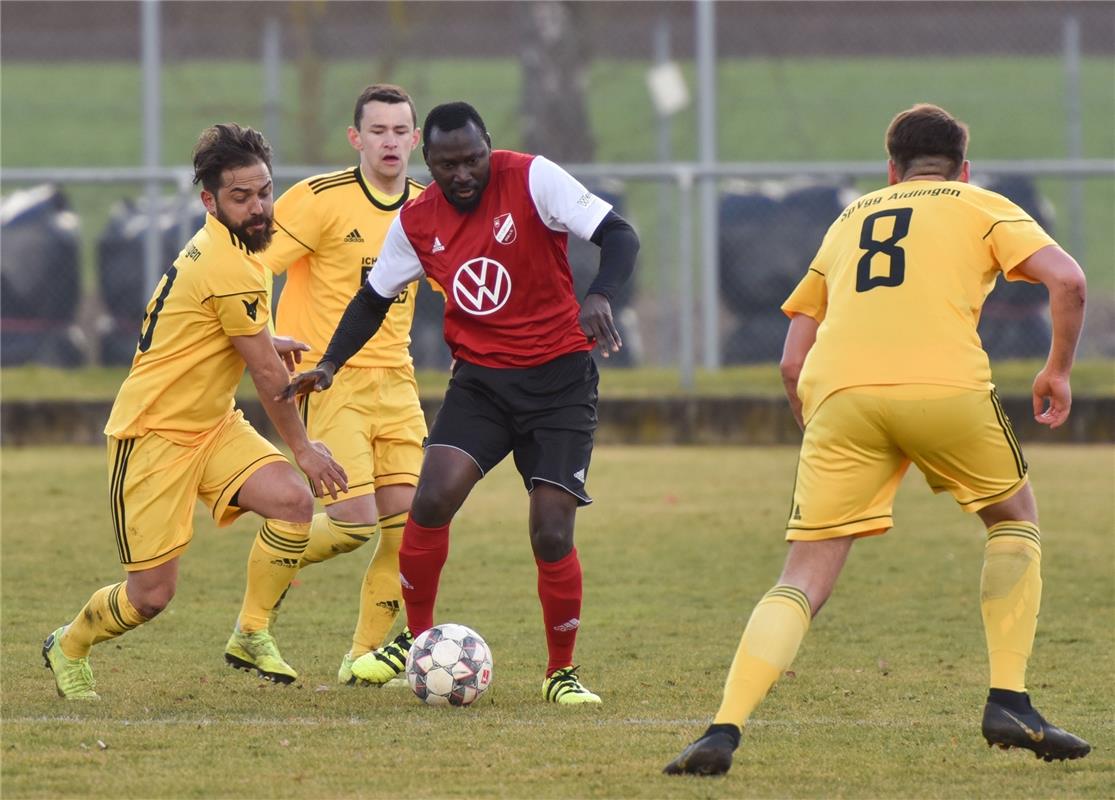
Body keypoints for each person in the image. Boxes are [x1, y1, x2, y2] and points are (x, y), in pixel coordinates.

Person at [664, 103, 1091, 775]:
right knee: (1013, 520)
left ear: (889, 170)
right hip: (943, 388)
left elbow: (789, 360)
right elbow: (1066, 280)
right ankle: (1008, 699)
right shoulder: (980, 204)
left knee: (802, 576)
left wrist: (826, 418)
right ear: (962, 168)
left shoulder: (850, 216)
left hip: (841, 396)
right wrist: (1056, 371)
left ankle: (722, 728)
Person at [283, 101, 640, 703]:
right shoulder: (418, 220)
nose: (463, 174)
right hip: (482, 384)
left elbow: (620, 235)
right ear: (432, 161)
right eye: (448, 165)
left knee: (551, 532)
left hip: (560, 383)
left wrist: (601, 294)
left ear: (488, 146)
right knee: (432, 497)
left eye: (473, 159)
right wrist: (329, 363)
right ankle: (421, 646)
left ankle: (561, 673)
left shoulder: (532, 177)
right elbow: (372, 298)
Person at [42, 123, 348, 699]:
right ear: (209, 200)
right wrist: (303, 447)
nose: (259, 208)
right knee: (150, 597)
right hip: (153, 435)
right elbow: (262, 374)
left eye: (264, 191)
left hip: (212, 424)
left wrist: (263, 339)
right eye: (241, 197)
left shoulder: (237, 247)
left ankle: (251, 631)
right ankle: (69, 643)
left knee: (291, 501)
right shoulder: (226, 263)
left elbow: (216, 331)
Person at [228, 84, 427, 685]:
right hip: (329, 379)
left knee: (409, 530)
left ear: (415, 140)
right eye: (379, 131)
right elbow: (251, 264)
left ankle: (360, 658)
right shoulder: (318, 199)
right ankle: (255, 614)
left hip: (399, 382)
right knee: (351, 525)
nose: (390, 142)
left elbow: (461, 286)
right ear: (356, 138)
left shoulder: (428, 207)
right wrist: (264, 343)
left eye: (400, 132)